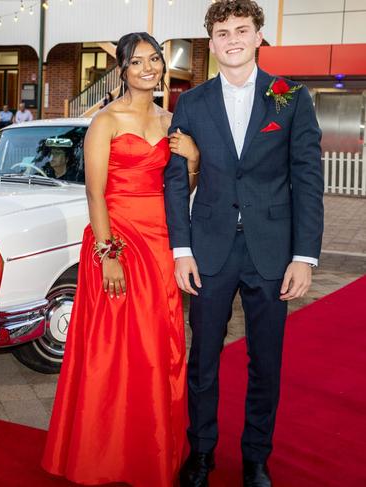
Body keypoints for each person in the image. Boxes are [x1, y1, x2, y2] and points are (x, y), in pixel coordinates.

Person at [164, 2, 324, 487]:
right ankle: (202, 454)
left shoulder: (290, 97)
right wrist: (181, 249)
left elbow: (308, 179)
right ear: (210, 43)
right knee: (203, 360)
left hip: (273, 252)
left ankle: (256, 458)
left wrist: (305, 255)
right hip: (208, 251)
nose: (231, 39)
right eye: (221, 32)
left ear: (259, 36)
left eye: (241, 30)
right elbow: (175, 180)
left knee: (266, 362)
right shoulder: (190, 103)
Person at [43, 32, 200, 487]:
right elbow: (95, 192)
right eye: (138, 62)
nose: (148, 68)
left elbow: (178, 191)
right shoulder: (105, 122)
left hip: (160, 242)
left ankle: (147, 450)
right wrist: (107, 253)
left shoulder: (173, 120)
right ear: (122, 70)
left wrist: (192, 162)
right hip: (117, 241)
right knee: (111, 351)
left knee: (157, 349)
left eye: (155, 60)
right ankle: (101, 452)